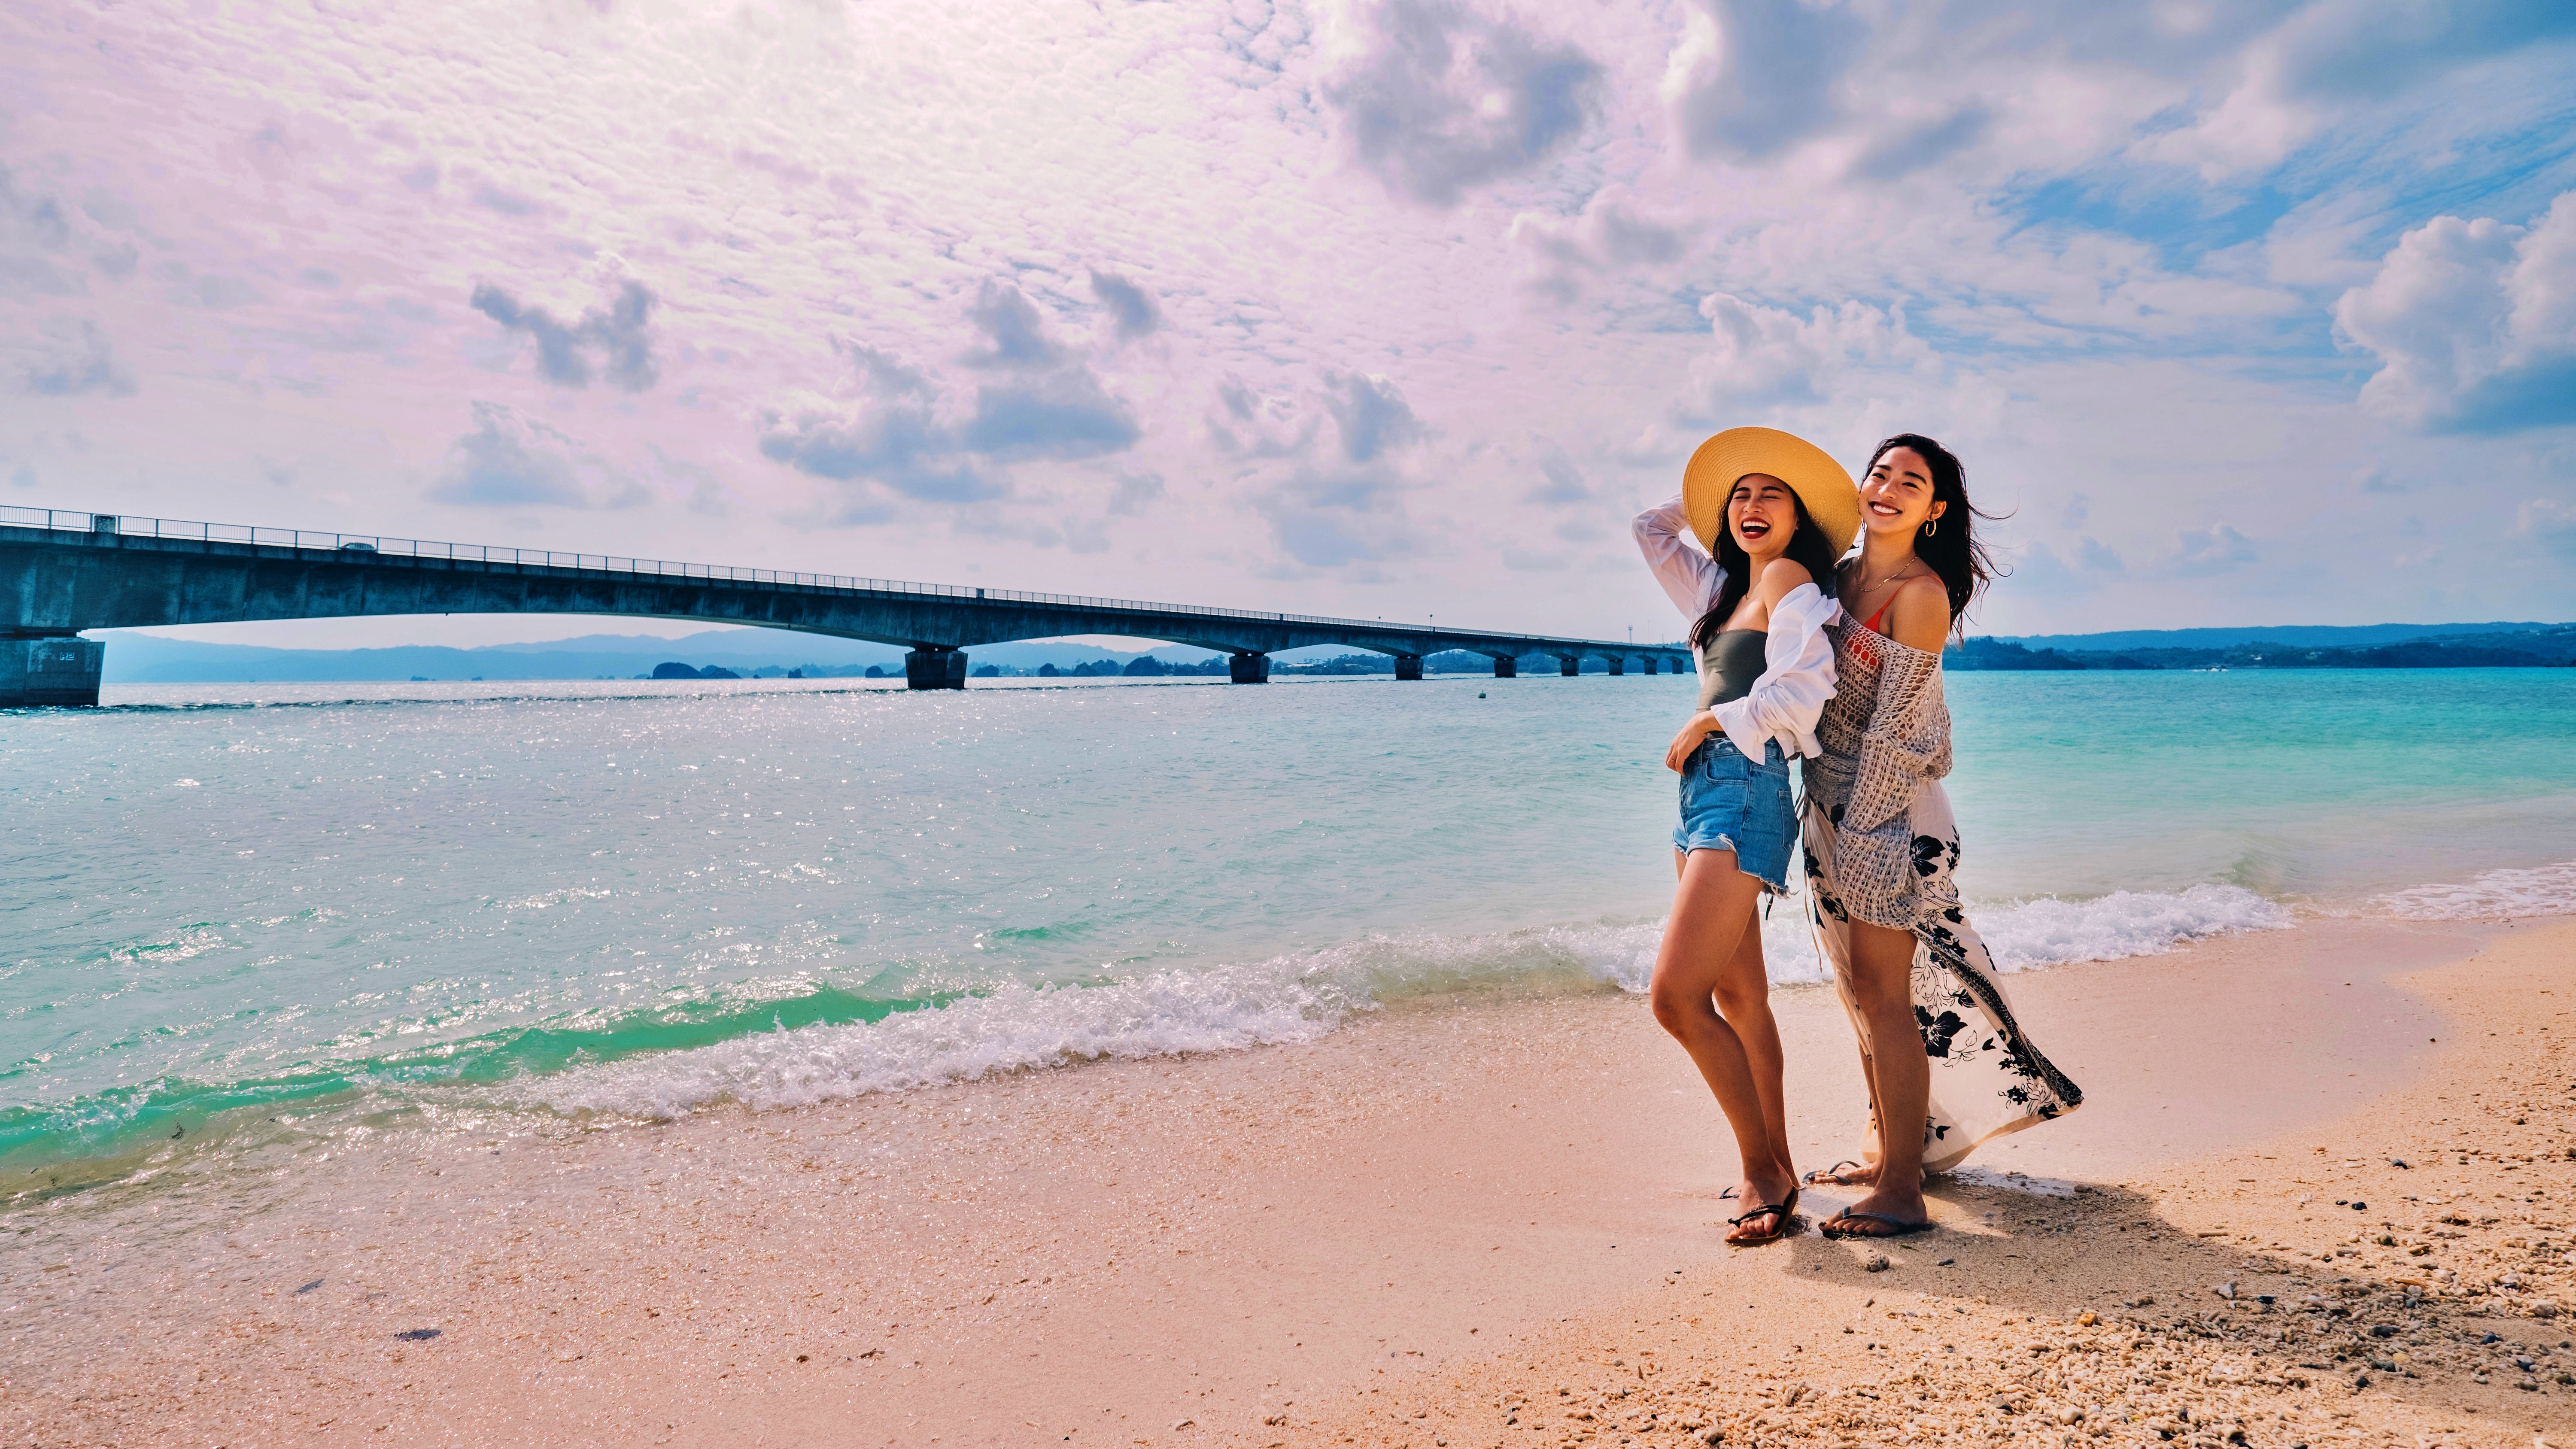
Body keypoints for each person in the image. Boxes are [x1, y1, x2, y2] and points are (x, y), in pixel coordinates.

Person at [1802, 433, 2083, 1240]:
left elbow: (1897, 735)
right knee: (1859, 994)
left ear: (1935, 511)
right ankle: (1892, 1151)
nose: (1888, 488)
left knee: (1888, 997)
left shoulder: (1919, 594)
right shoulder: (1838, 576)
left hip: (1888, 815)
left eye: (1911, 482)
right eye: (1879, 473)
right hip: (1829, 804)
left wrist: (1864, 834)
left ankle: (1901, 1190)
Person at [1632, 427, 1858, 1245]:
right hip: (1701, 797)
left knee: (1674, 999)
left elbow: (1805, 692)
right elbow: (1651, 533)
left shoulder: (1793, 581)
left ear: (1802, 518)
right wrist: (1704, 499)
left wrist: (1711, 720)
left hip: (1743, 785)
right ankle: (1782, 1165)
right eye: (1740, 495)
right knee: (1739, 999)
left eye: (1772, 494)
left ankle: (1760, 1170)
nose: (1752, 507)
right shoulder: (1722, 595)